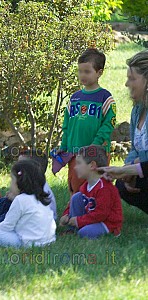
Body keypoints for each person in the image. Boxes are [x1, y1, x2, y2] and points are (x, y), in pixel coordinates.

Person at [57, 48, 116, 196]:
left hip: (97, 154)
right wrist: (64, 145)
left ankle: (98, 214)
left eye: (87, 71)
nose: (82, 75)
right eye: (80, 71)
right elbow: (67, 125)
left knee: (98, 188)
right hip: (76, 153)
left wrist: (96, 144)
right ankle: (75, 214)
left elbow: (108, 124)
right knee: (76, 188)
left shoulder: (105, 98)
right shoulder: (75, 98)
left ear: (99, 72)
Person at [0, 149, 57, 234]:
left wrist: (14, 199)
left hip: (34, 223)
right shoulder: (32, 184)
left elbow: (32, 207)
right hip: (30, 219)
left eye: (22, 166)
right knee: (5, 202)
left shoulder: (41, 188)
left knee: (8, 211)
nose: (18, 167)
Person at [0, 160, 56, 248]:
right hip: (48, 240)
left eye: (12, 180)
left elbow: (7, 226)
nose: (10, 184)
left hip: (29, 243)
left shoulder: (20, 200)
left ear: (20, 182)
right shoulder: (41, 197)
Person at [59, 145, 123, 239]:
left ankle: (112, 232)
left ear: (92, 165)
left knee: (84, 233)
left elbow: (101, 214)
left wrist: (79, 221)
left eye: (79, 163)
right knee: (76, 197)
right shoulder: (86, 185)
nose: (75, 168)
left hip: (107, 222)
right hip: (93, 218)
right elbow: (75, 202)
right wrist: (66, 214)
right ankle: (72, 229)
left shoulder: (104, 188)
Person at [115, 50, 148, 213]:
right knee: (121, 183)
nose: (127, 84)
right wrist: (128, 168)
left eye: (132, 78)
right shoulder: (137, 110)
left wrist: (135, 165)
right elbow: (135, 149)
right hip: (143, 170)